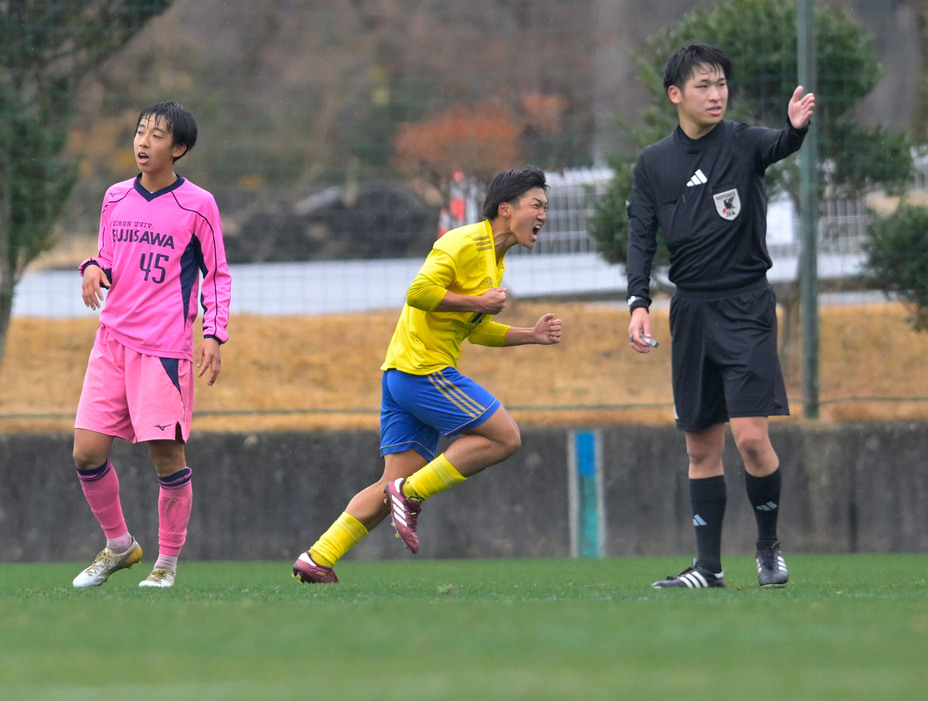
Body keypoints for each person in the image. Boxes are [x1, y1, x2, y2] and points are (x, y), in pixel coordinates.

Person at [293, 166, 562, 583]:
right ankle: (412, 493)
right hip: (423, 371)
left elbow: (476, 330)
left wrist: (531, 334)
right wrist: (476, 300)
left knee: (389, 484)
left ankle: (319, 557)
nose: (544, 214)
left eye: (546, 206)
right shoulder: (465, 241)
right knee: (505, 437)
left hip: (403, 375)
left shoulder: (495, 261)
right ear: (506, 209)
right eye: (537, 205)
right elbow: (418, 293)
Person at [625, 44, 815, 589]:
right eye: (704, 86)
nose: (716, 94)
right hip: (690, 312)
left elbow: (780, 143)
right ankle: (708, 568)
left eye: (721, 84)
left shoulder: (743, 142)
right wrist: (638, 303)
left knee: (751, 438)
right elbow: (640, 238)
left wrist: (795, 129)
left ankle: (768, 548)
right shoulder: (654, 164)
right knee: (700, 445)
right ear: (676, 95)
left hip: (747, 304)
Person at [71, 101, 231, 589]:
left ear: (178, 148)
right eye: (140, 131)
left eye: (157, 136)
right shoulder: (115, 196)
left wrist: (212, 334)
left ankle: (167, 563)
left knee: (167, 460)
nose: (143, 141)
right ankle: (120, 546)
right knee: (86, 453)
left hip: (163, 351)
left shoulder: (197, 205)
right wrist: (93, 268)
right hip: (111, 342)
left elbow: (216, 274)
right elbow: (109, 257)